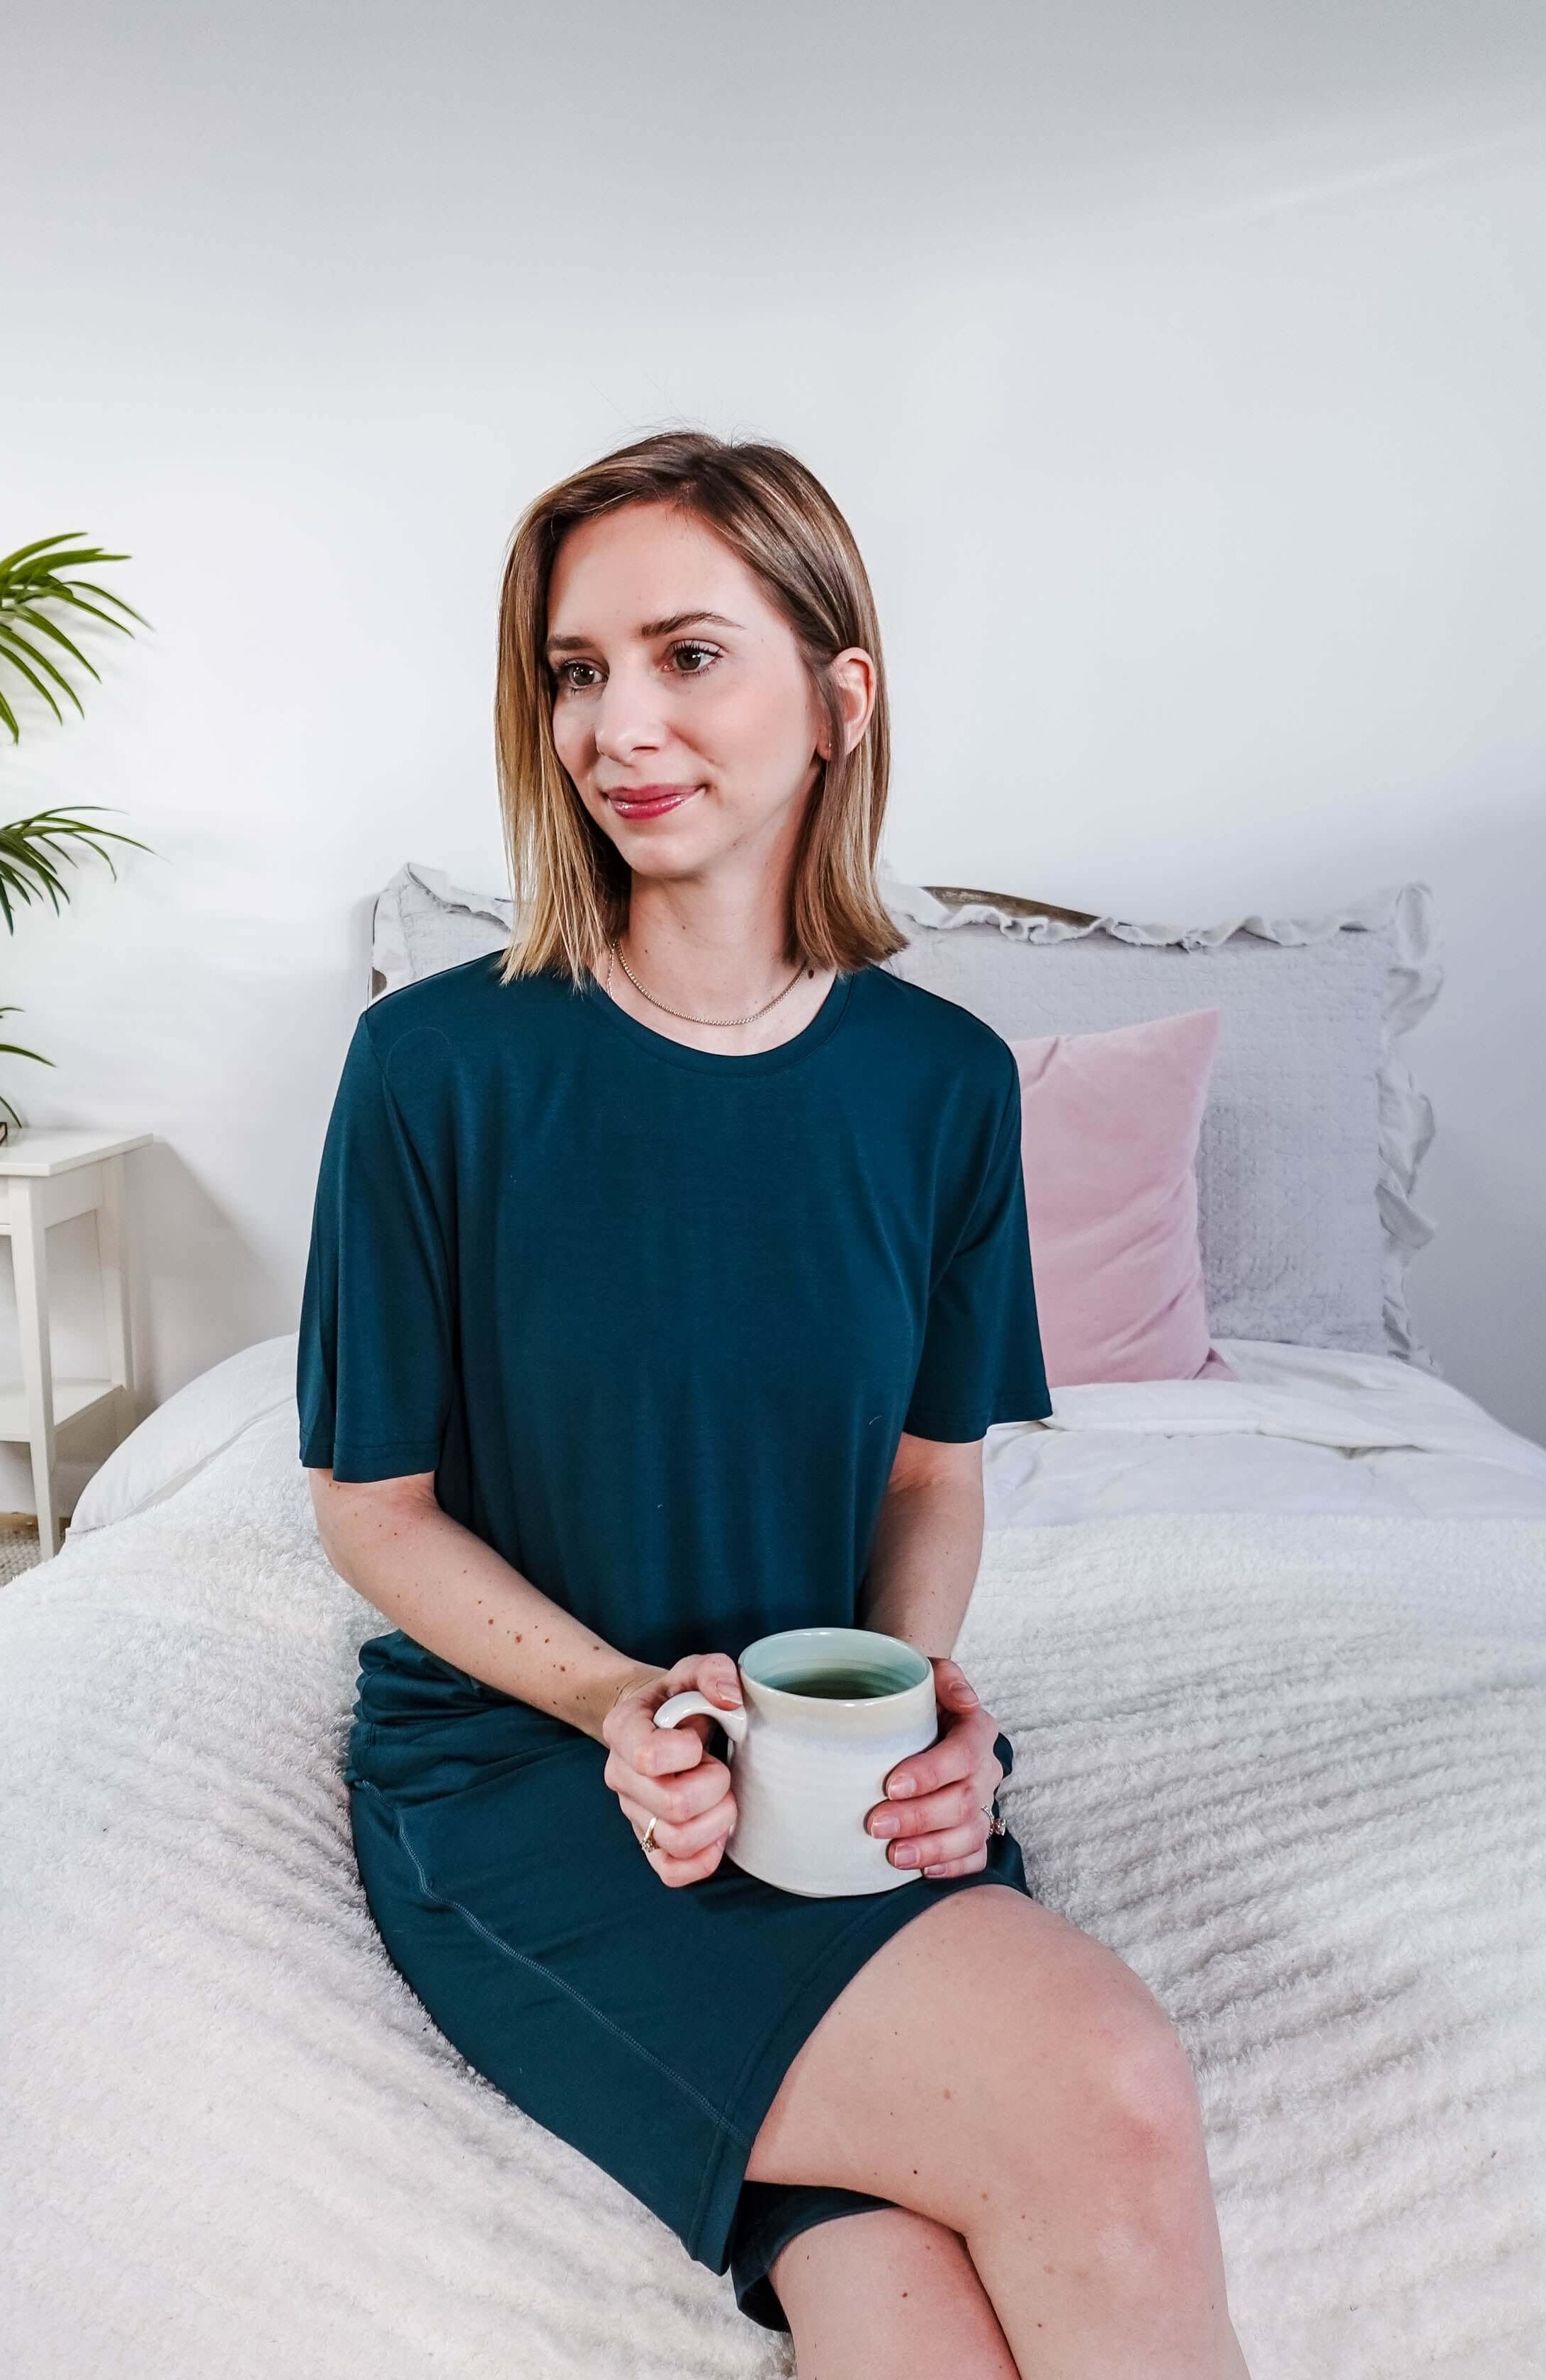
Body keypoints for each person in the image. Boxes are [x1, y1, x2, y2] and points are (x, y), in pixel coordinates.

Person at [298, 428, 1251, 2379]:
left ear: (837, 697)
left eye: (685, 655)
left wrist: (899, 1718)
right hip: (532, 1783)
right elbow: (369, 1508)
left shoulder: (939, 1083)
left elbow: (925, 1469)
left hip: (819, 1791)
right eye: (575, 671)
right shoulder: (432, 1068)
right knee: (1107, 2090)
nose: (618, 724)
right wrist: (616, 1705)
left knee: (898, 2292)